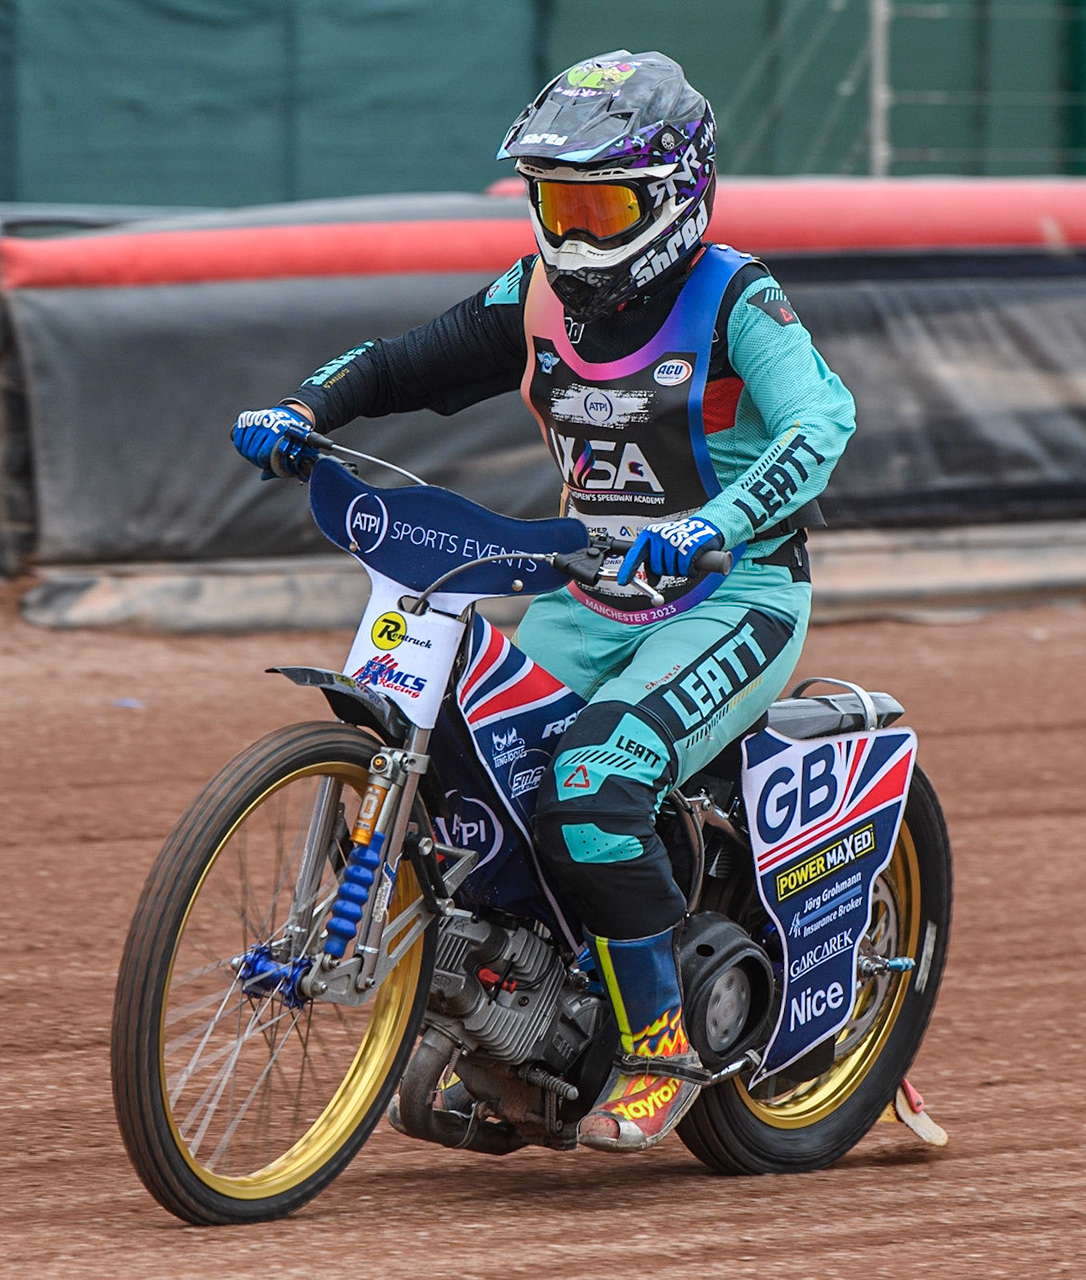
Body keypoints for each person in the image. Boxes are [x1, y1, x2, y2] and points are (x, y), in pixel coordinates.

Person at [231, 50, 856, 1153]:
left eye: (599, 203)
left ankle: (660, 1037)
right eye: (552, 201)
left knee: (589, 777)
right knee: (472, 758)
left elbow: (822, 422)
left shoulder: (736, 296)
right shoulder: (536, 293)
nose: (569, 231)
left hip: (733, 591)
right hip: (587, 588)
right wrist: (303, 404)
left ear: (673, 198)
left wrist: (712, 525)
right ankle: (515, 1012)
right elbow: (403, 363)